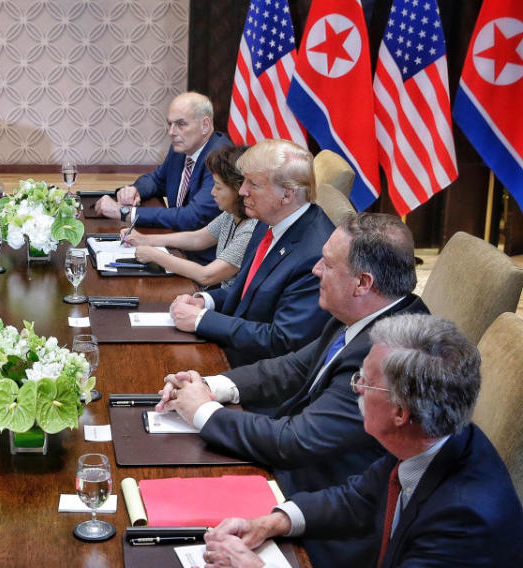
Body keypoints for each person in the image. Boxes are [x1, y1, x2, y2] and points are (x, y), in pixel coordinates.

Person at [157, 213, 429, 568]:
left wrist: (203, 412)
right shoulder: (365, 312)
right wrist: (211, 386)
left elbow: (297, 442)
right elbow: (295, 366)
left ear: (362, 283)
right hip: (310, 493)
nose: (315, 269)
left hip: (333, 510)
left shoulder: (389, 355)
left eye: (328, 264)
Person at [201, 314, 523, 568]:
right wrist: (273, 522)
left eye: (364, 382)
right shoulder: (432, 436)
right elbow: (359, 497)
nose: (355, 389)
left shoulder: (464, 522)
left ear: (400, 411)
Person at [169, 139, 333, 366]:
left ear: (287, 194)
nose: (242, 190)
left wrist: (201, 321)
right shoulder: (268, 222)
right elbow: (250, 294)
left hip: (260, 373)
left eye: (253, 184)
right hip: (234, 350)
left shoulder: (316, 254)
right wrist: (205, 301)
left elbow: (282, 339)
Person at [94, 92, 233, 262]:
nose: (172, 132)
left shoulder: (220, 157)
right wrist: (134, 190)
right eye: (170, 124)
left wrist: (124, 213)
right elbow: (156, 180)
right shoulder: (182, 149)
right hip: (175, 246)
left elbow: (192, 217)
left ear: (205, 125)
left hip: (204, 260)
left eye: (181, 124)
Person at [123, 144, 257, 289]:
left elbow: (206, 276)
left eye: (218, 187)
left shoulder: (250, 230)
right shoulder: (231, 214)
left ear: (239, 190)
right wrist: (145, 240)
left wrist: (155, 256)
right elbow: (197, 239)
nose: (212, 192)